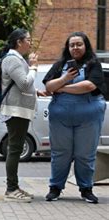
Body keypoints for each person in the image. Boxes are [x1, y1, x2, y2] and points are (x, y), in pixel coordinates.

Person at [43, 32, 107, 204]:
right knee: (60, 153)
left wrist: (61, 87)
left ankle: (86, 189)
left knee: (85, 154)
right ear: (68, 48)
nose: (75, 48)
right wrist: (65, 78)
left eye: (79, 44)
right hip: (60, 117)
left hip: (88, 117)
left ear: (85, 46)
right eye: (72, 45)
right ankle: (55, 188)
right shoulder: (60, 65)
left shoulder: (94, 65)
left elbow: (88, 85)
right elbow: (49, 85)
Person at [0, 28, 38, 203]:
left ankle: (14, 186)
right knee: (15, 149)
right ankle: (11, 189)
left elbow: (22, 87)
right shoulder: (13, 59)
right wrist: (34, 68)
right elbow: (23, 83)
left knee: (15, 148)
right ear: (19, 42)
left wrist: (37, 92)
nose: (30, 42)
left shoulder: (16, 59)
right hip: (16, 111)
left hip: (19, 110)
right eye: (28, 39)